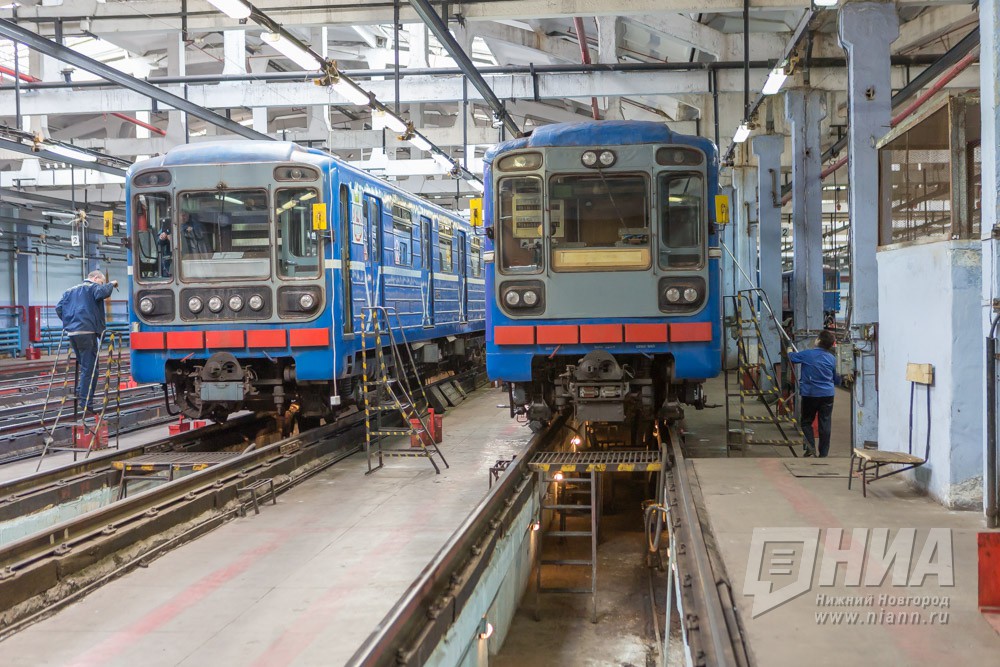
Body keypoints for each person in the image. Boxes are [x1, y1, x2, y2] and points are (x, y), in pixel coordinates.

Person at [55, 270, 117, 415]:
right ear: (95, 278)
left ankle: (80, 391)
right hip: (87, 332)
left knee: (85, 366)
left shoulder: (69, 291)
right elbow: (103, 292)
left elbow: (59, 308)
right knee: (91, 369)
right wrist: (111, 284)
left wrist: (70, 322)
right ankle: (85, 402)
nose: (101, 284)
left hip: (72, 333)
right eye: (101, 281)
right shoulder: (92, 287)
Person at [788, 329, 840, 457]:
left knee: (806, 421)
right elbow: (837, 379)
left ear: (819, 340)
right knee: (825, 423)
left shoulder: (808, 354)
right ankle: (824, 453)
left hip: (810, 394)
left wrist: (789, 349)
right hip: (827, 395)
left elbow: (792, 358)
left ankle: (810, 446)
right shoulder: (832, 358)